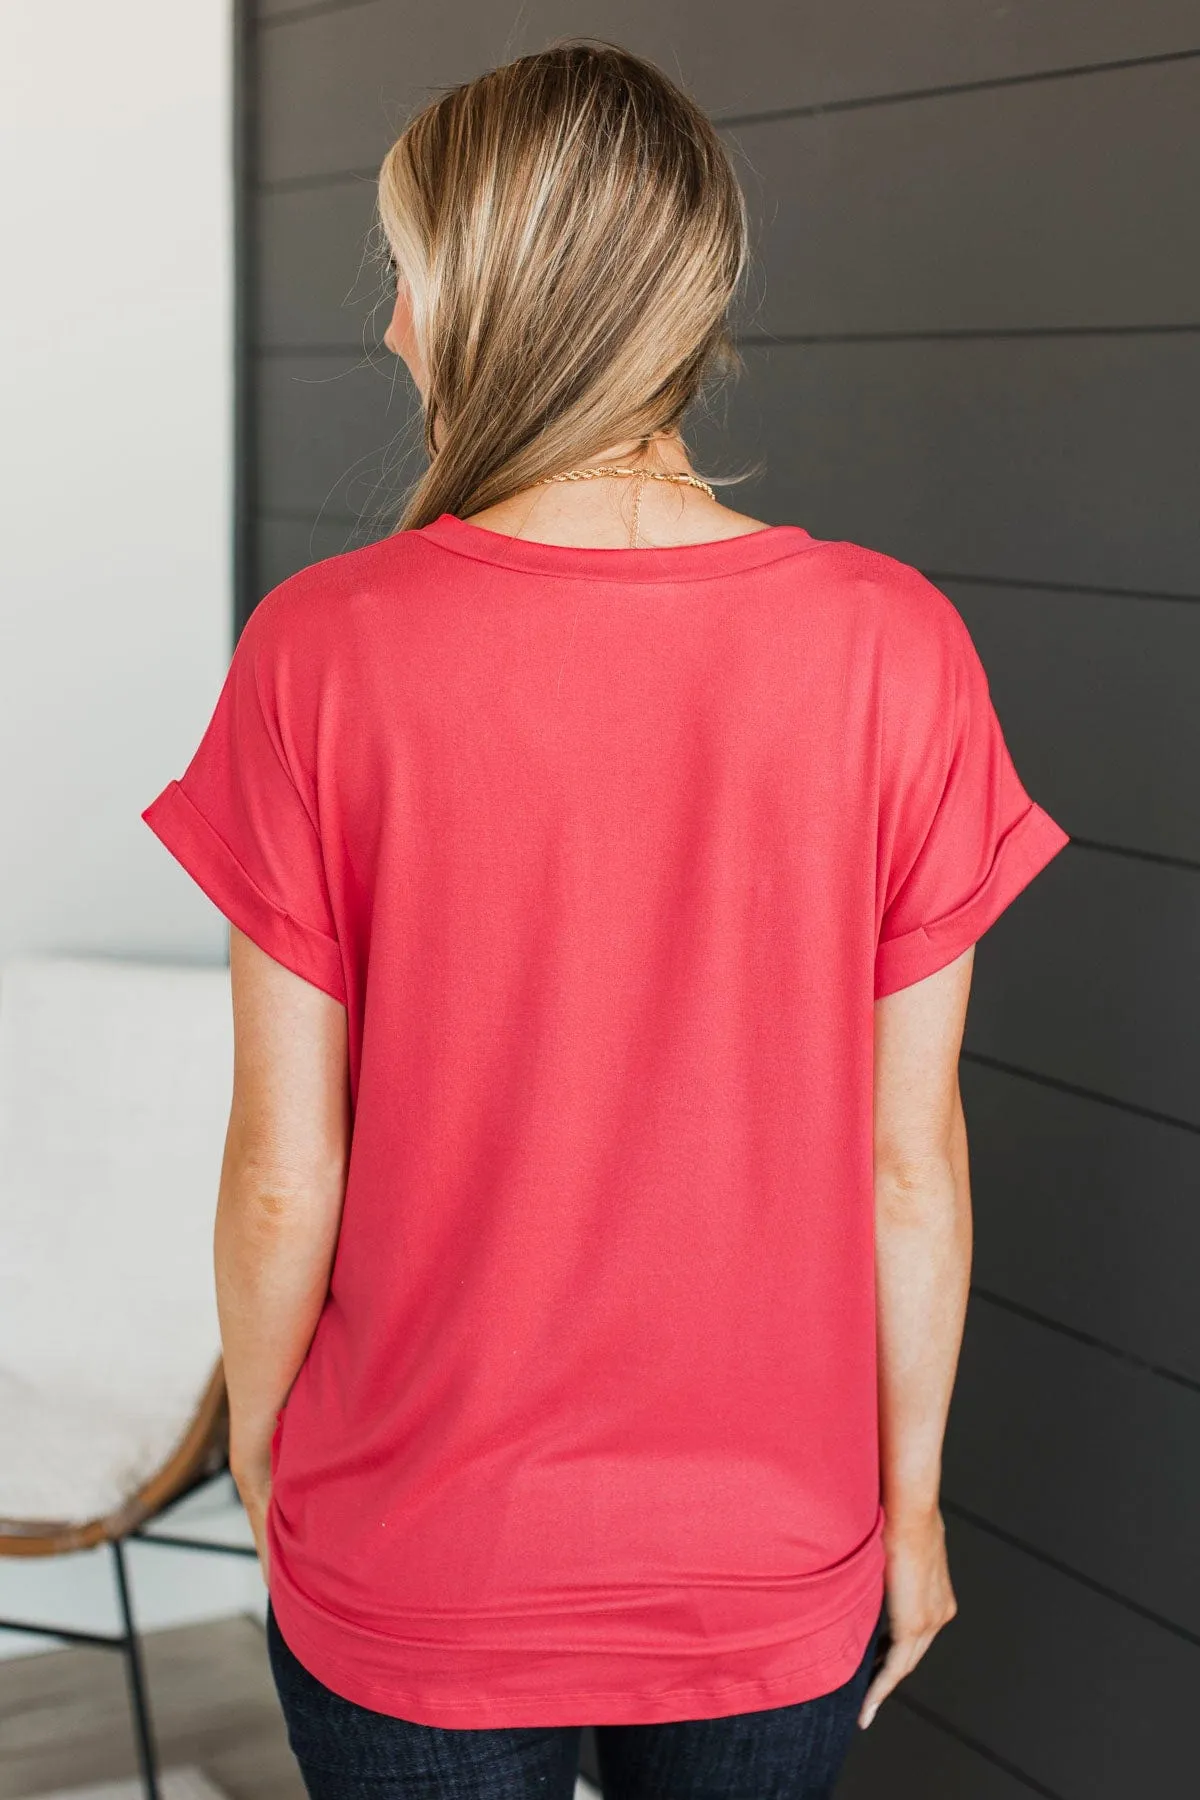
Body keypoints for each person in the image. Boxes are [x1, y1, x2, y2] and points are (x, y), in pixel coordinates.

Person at [141, 38, 1070, 1800]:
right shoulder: (894, 645)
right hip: (772, 1565)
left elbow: (284, 1163)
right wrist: (914, 1506)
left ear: (487, 299)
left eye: (403, 275)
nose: (392, 327)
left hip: (415, 1559)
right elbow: (908, 1165)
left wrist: (261, 1448)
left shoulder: (320, 650)